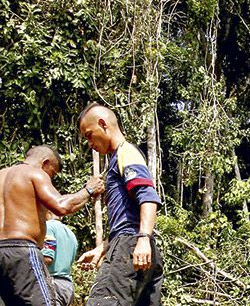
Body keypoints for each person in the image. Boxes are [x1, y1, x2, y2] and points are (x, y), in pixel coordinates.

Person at [76, 103, 164, 306]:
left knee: (103, 301)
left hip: (131, 245)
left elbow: (148, 197)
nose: (89, 143)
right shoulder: (118, 158)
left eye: (89, 135)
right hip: (134, 245)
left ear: (102, 124)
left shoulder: (126, 153)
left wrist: (143, 239)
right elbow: (127, 218)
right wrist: (103, 248)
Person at [0, 145, 104, 306]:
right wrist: (89, 190)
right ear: (45, 163)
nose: (51, 178)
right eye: (53, 173)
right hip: (22, 250)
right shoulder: (35, 173)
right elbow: (62, 206)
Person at [42, 212, 79, 306]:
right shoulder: (71, 234)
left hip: (53, 285)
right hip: (67, 287)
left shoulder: (48, 227)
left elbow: (47, 258)